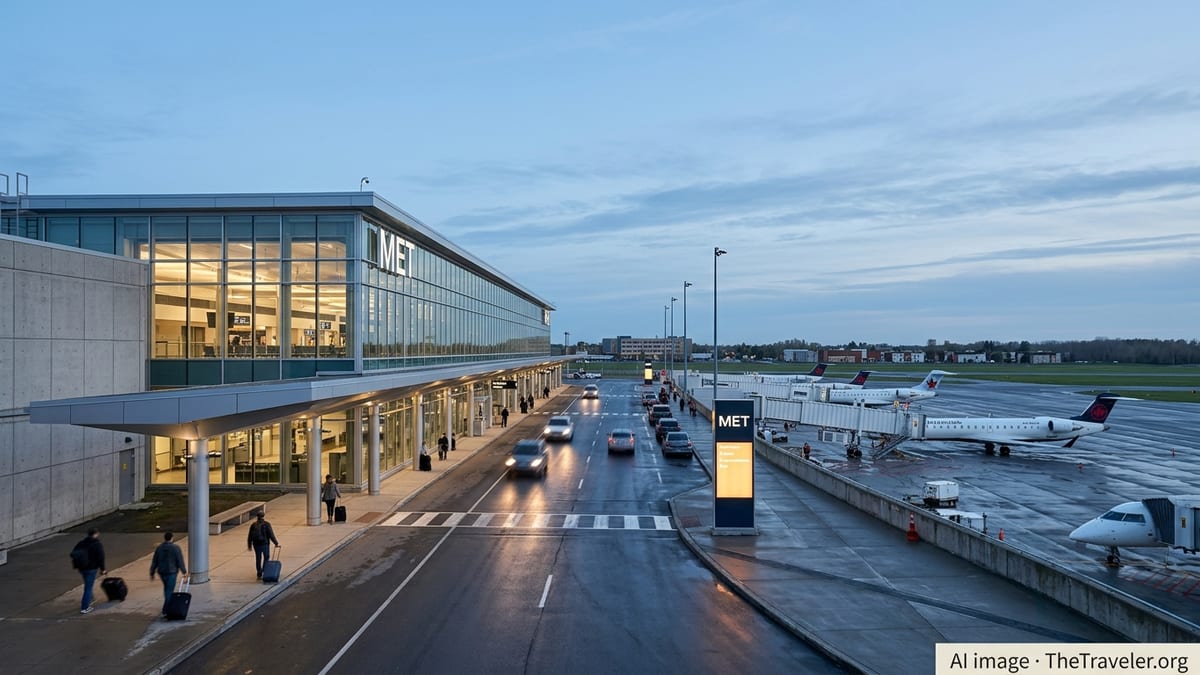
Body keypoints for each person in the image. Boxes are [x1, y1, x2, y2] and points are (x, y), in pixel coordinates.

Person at [149, 531, 186, 617]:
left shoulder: (159, 548)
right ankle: (166, 609)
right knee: (169, 590)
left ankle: (167, 607)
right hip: (172, 572)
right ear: (172, 538)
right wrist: (184, 572)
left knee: (166, 589)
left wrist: (152, 572)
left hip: (162, 572)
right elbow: (180, 561)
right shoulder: (176, 548)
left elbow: (154, 561)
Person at [71, 528, 106, 614]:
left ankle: (90, 599)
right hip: (92, 568)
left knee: (87, 584)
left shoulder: (81, 543)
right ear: (96, 534)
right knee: (88, 588)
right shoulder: (97, 544)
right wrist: (103, 569)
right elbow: (101, 558)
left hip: (82, 568)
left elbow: (73, 553)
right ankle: (85, 607)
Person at [247, 512, 280, 579]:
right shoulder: (266, 524)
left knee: (258, 558)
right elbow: (271, 535)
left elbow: (250, 536)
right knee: (266, 557)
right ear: (263, 516)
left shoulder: (253, 525)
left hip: (256, 544)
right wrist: (276, 543)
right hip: (265, 543)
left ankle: (259, 573)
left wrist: (249, 545)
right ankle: (264, 570)